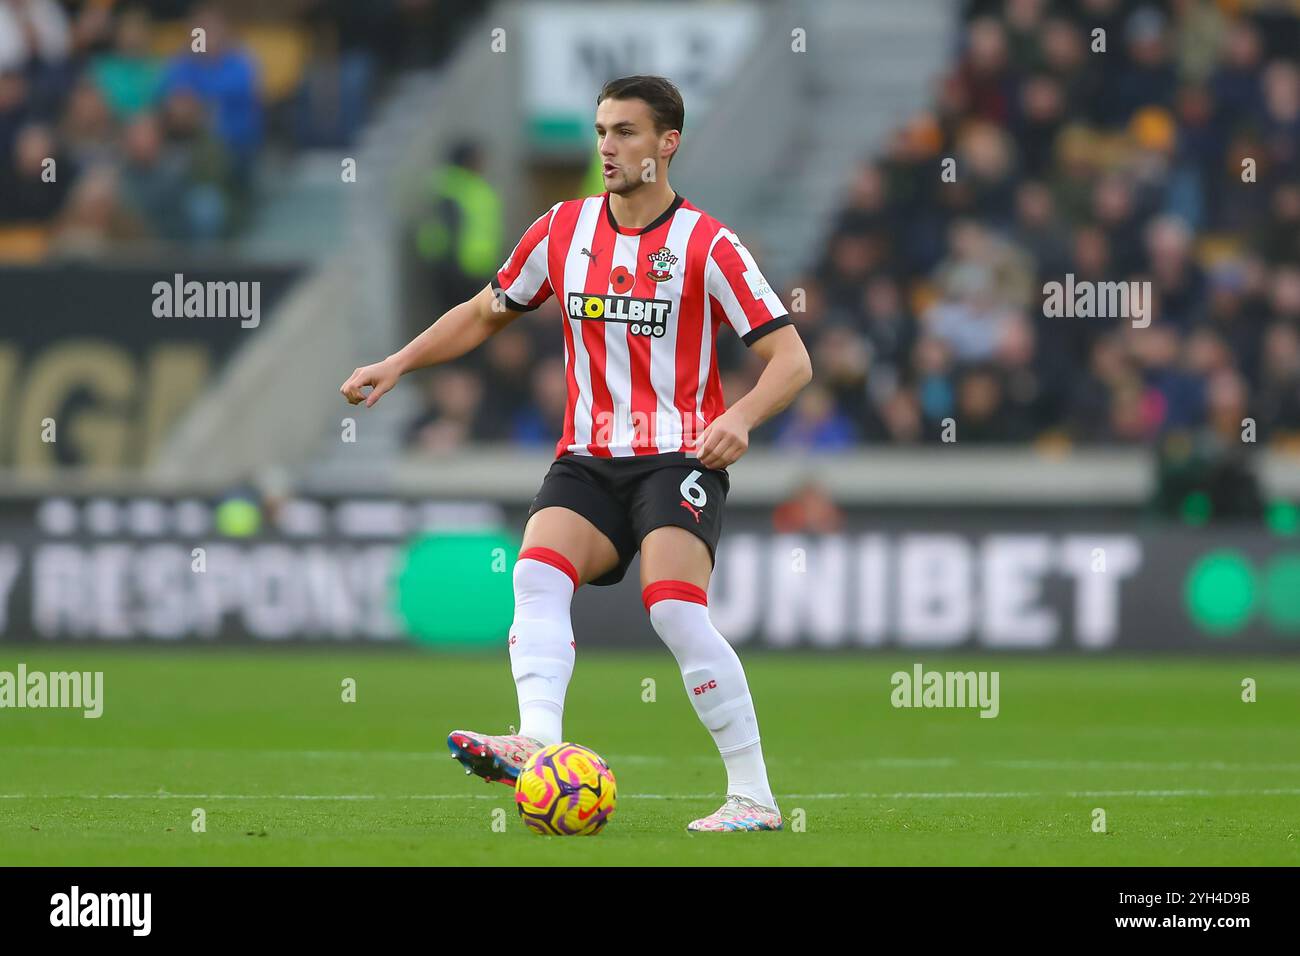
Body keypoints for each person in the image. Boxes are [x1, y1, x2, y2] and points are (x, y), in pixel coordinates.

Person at [341, 75, 812, 832]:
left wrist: (744, 417)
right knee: (535, 572)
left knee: (674, 609)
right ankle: (537, 741)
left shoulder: (708, 244)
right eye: (600, 131)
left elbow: (791, 360)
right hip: (588, 456)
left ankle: (753, 796)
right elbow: (485, 310)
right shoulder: (561, 230)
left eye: (626, 132)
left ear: (668, 144)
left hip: (678, 458)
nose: (607, 147)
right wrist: (398, 363)